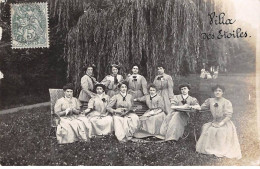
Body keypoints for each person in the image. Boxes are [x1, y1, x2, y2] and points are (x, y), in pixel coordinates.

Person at [196, 85, 242, 159]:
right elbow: (201, 108)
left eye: (219, 91)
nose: (217, 92)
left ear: (222, 92)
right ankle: (211, 148)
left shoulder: (226, 102)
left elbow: (228, 116)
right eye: (216, 91)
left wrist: (221, 123)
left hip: (224, 122)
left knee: (221, 131)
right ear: (214, 92)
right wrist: (194, 106)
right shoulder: (210, 101)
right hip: (214, 122)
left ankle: (221, 149)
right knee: (209, 129)